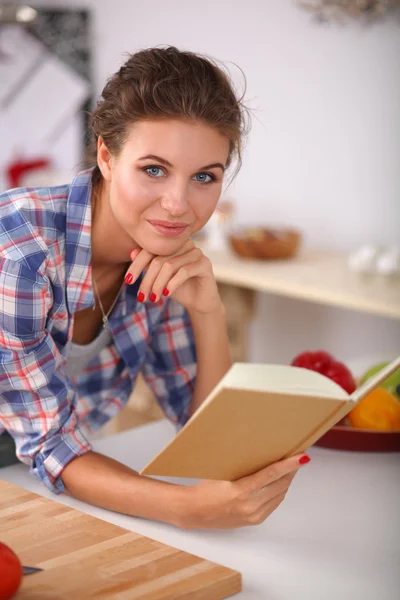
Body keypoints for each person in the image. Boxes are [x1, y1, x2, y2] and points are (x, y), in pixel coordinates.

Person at [0, 46, 310, 530]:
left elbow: (207, 435)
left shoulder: (164, 255)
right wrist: (186, 509)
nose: (177, 205)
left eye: (204, 177)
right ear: (106, 155)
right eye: (153, 169)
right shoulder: (21, 250)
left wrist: (208, 313)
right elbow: (48, 443)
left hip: (46, 473)